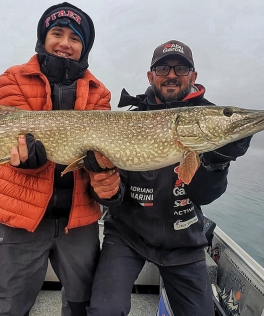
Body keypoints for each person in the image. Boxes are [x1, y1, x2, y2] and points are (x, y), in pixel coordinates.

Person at [85, 40, 252, 316]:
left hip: (184, 240)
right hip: (128, 234)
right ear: (150, 76)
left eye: (181, 68)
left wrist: (217, 161)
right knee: (104, 311)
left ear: (193, 77)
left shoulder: (202, 125)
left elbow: (204, 196)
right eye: (163, 68)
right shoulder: (130, 122)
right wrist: (106, 188)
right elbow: (113, 196)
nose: (172, 75)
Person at [0, 3, 112, 316]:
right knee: (7, 307)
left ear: (84, 48)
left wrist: (100, 165)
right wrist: (27, 159)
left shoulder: (99, 92)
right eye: (57, 33)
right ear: (44, 38)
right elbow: (8, 131)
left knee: (82, 303)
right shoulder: (14, 77)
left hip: (77, 219)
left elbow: (100, 154)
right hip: (21, 216)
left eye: (75, 38)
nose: (65, 43)